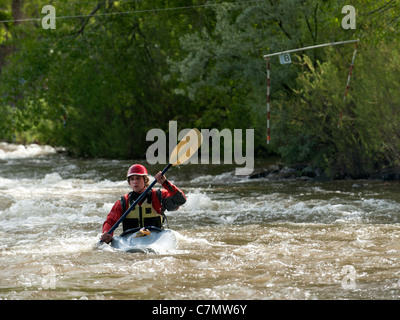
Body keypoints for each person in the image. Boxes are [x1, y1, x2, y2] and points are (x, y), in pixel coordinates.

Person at [100, 164, 186, 244]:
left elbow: (180, 200)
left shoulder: (158, 196)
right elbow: (110, 221)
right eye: (132, 179)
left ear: (145, 180)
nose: (135, 182)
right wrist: (107, 234)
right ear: (129, 182)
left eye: (138, 178)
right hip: (131, 240)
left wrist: (165, 183)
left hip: (155, 239)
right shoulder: (124, 201)